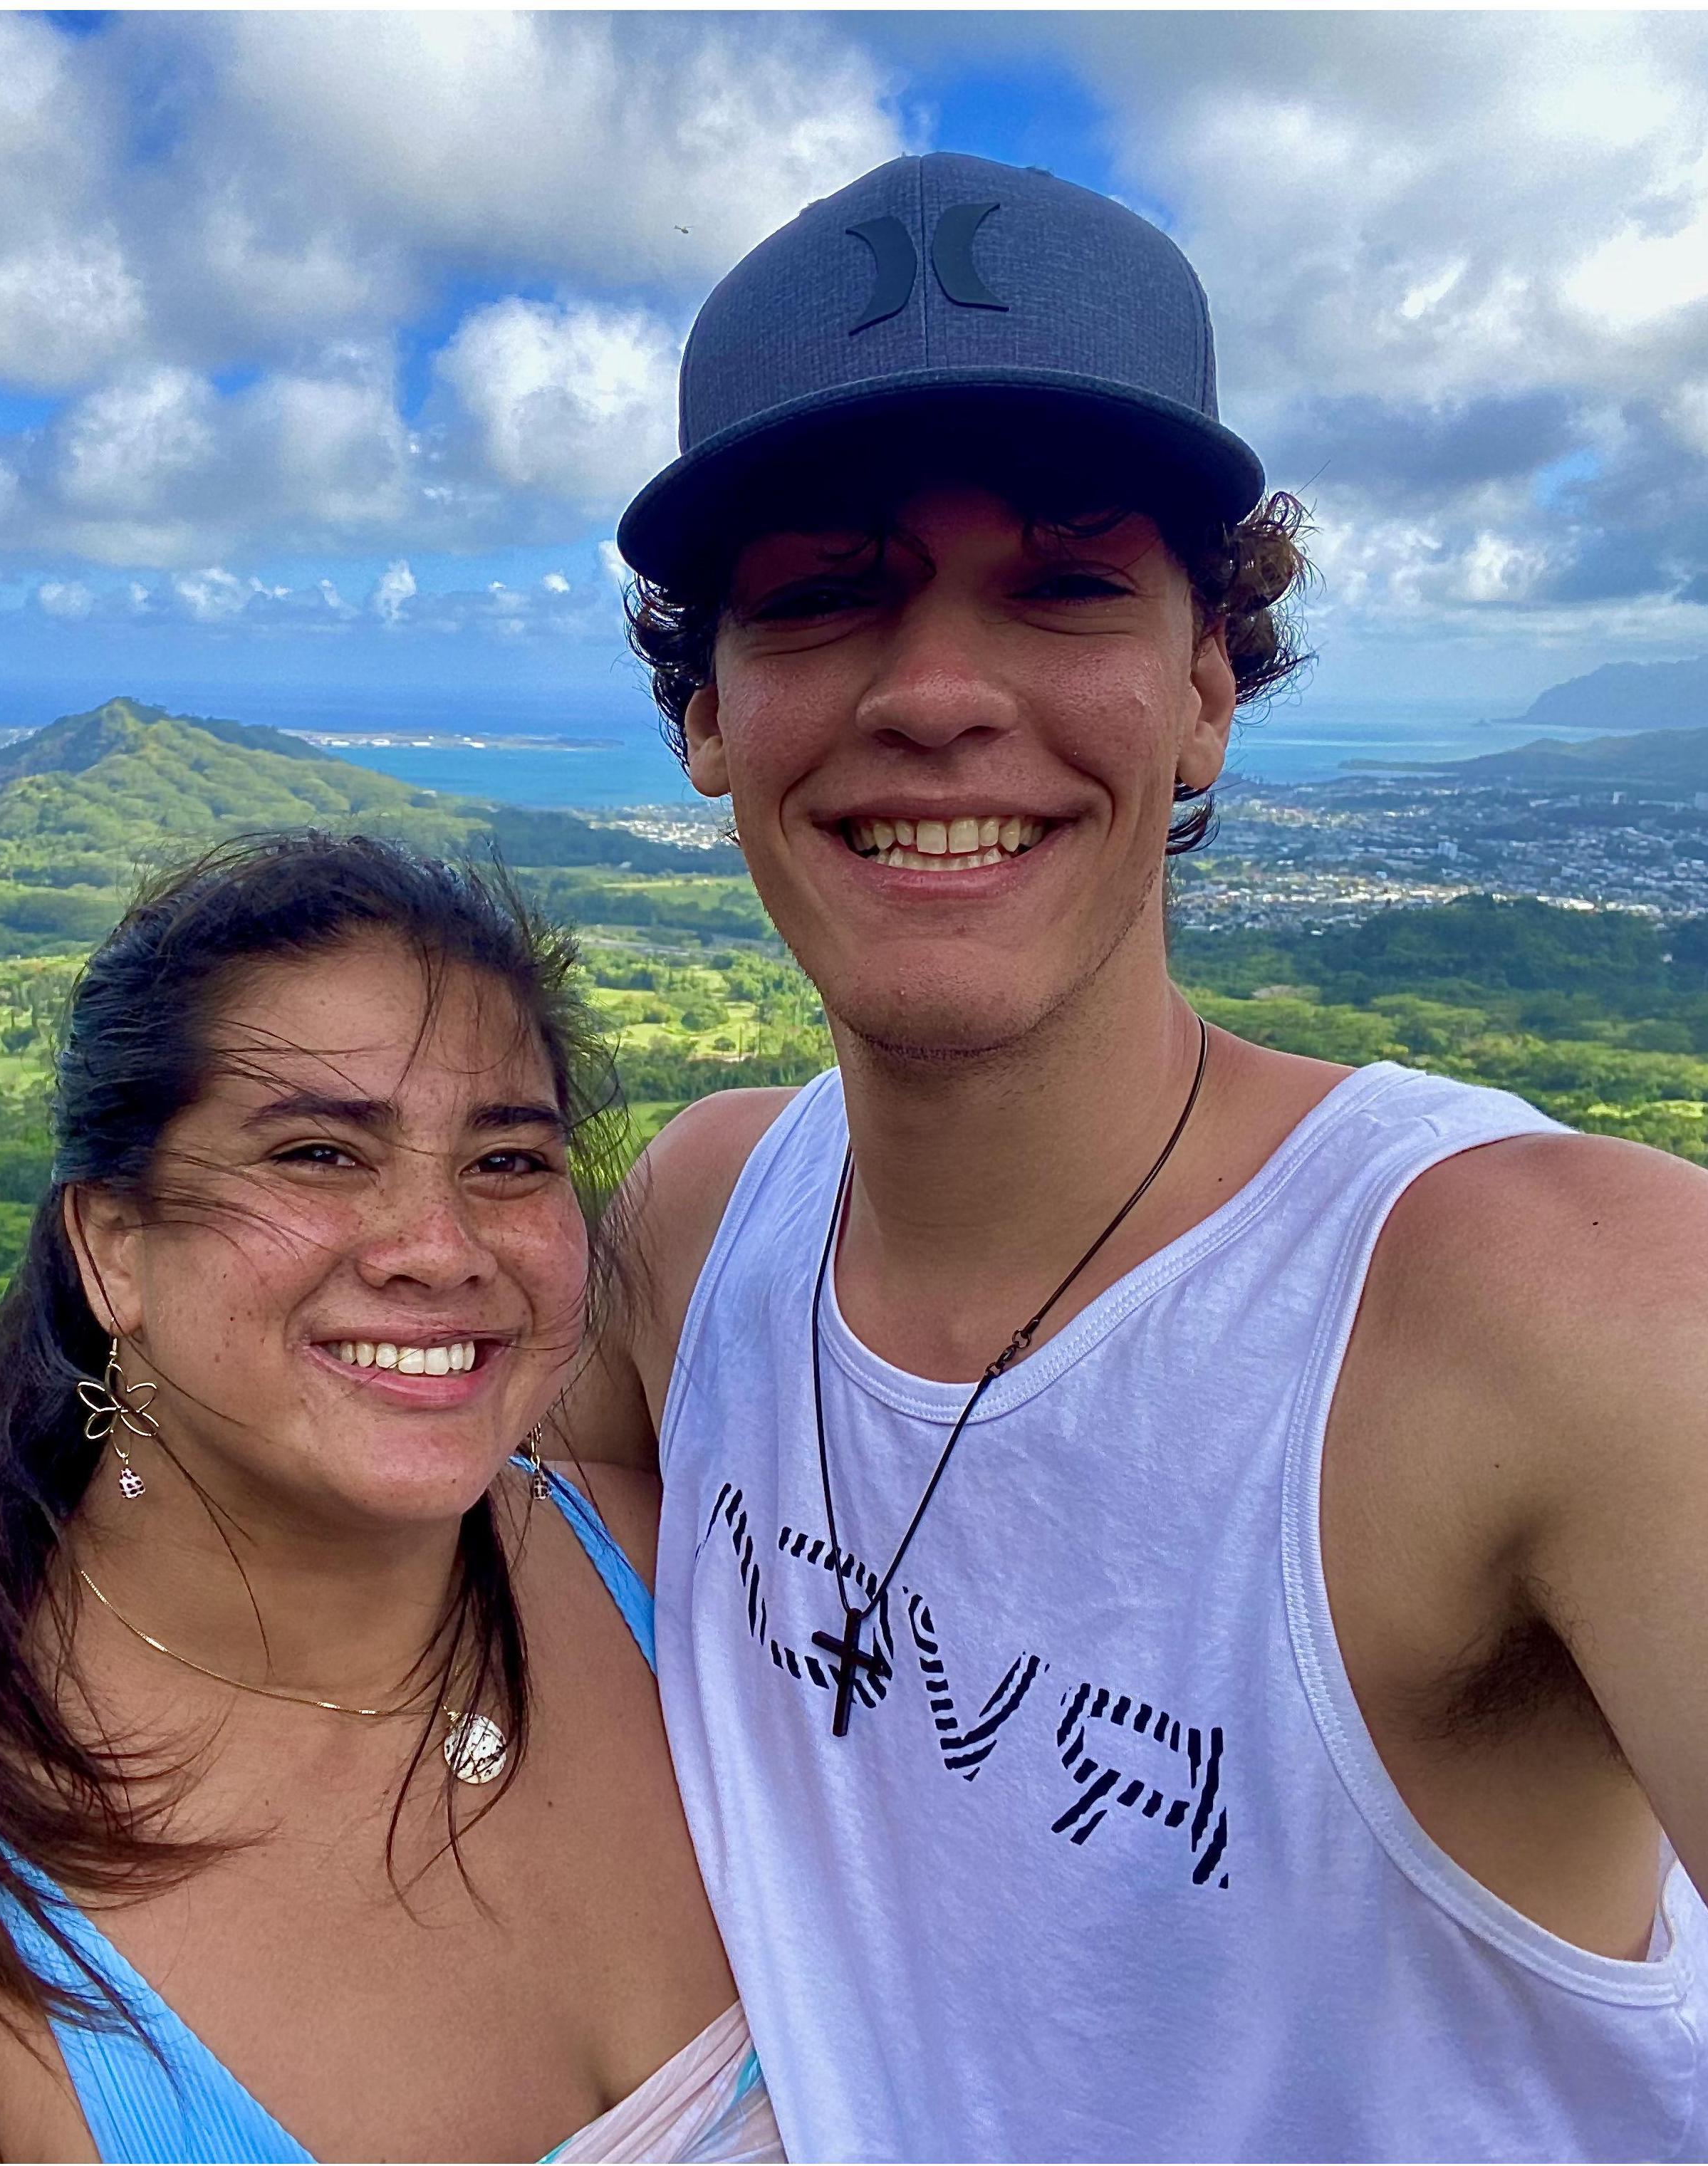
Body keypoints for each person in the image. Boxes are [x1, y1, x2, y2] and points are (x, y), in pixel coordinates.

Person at [563, 152, 1708, 2160]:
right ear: (704, 717)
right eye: (822, 595)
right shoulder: (698, 1225)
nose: (930, 692)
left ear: (1204, 695)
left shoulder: (1548, 1310)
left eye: (1067, 583)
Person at [0, 835, 782, 2163]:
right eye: (316, 1155)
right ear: (114, 1247)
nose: (438, 1247)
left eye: (508, 1161)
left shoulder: (688, 1579)